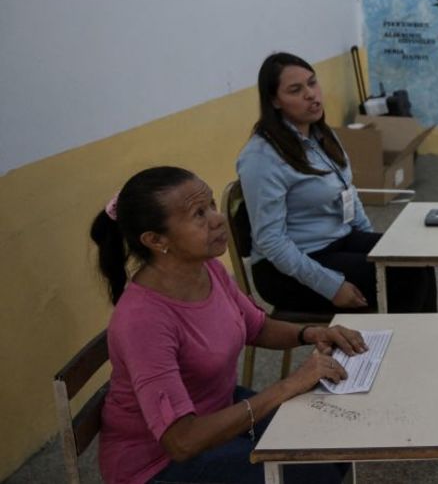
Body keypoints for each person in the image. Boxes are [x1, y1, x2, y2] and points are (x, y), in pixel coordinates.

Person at [90, 166, 358, 484]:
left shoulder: (208, 270)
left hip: (216, 409)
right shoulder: (143, 320)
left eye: (212, 206)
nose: (217, 219)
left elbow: (256, 327)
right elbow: (182, 441)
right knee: (311, 476)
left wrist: (311, 333)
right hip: (158, 464)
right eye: (198, 214)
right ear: (155, 240)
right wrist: (288, 385)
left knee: (338, 439)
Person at [236, 52, 436, 313]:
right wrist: (330, 285)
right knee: (402, 278)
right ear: (274, 100)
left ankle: (424, 344)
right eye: (296, 90)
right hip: (287, 269)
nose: (311, 94)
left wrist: (370, 238)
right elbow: (271, 242)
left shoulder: (321, 134)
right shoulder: (262, 157)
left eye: (312, 83)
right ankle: (400, 348)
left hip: (338, 241)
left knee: (417, 260)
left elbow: (347, 191)